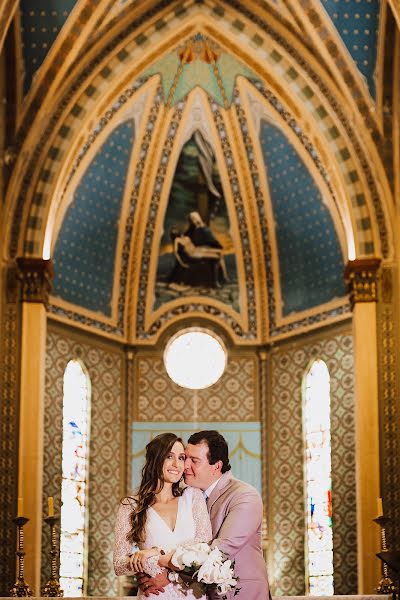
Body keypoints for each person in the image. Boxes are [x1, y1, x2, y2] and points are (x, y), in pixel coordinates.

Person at [138, 430, 271, 599]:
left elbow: (220, 552)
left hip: (240, 594)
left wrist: (165, 569)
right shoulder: (187, 497)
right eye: (185, 458)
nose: (184, 466)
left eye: (194, 461)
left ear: (216, 466)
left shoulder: (244, 496)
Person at [113, 432, 212, 599]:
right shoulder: (131, 506)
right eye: (169, 456)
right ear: (155, 459)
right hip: (154, 595)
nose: (177, 464)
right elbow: (119, 565)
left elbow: (204, 549)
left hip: (192, 594)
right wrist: (153, 557)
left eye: (181, 458)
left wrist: (156, 555)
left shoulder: (193, 497)